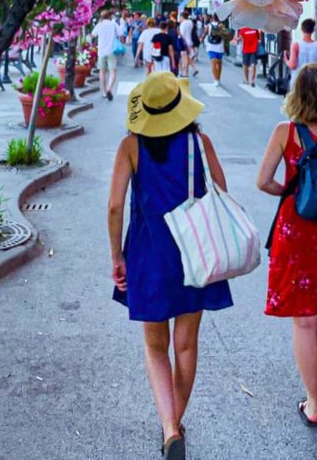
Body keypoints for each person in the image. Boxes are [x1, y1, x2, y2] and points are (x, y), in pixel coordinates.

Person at [109, 72, 233, 460]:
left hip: (149, 253)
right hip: (196, 250)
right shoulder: (200, 142)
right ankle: (174, 422)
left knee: (155, 345)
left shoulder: (131, 146)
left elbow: (115, 206)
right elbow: (222, 192)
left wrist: (116, 255)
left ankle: (168, 426)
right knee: (186, 344)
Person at [256, 64, 317, 428]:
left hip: (295, 233)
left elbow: (262, 181)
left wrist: (288, 192)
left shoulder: (286, 133)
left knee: (304, 322)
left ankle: (312, 403)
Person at [92, 8, 120, 101]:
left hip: (101, 52)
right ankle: (110, 89)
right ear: (110, 16)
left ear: (101, 17)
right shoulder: (114, 24)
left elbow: (92, 35)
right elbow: (121, 35)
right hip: (112, 51)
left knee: (102, 72)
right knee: (113, 71)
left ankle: (104, 92)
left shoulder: (99, 25)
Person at [284, 18, 317, 85]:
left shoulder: (296, 45)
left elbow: (293, 65)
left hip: (298, 78)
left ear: (301, 29)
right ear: (313, 30)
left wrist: (286, 60)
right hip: (313, 79)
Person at [204, 15, 227, 87]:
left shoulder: (208, 25)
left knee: (213, 64)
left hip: (211, 47)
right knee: (219, 64)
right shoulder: (222, 25)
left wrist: (201, 39)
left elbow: (205, 33)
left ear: (212, 18)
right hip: (220, 47)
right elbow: (225, 35)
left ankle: (215, 79)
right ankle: (218, 79)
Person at [178, 11, 195, 77]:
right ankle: (186, 72)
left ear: (182, 17)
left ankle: (183, 72)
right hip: (189, 41)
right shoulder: (190, 22)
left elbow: (181, 34)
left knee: (183, 58)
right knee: (187, 58)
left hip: (183, 42)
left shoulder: (183, 24)